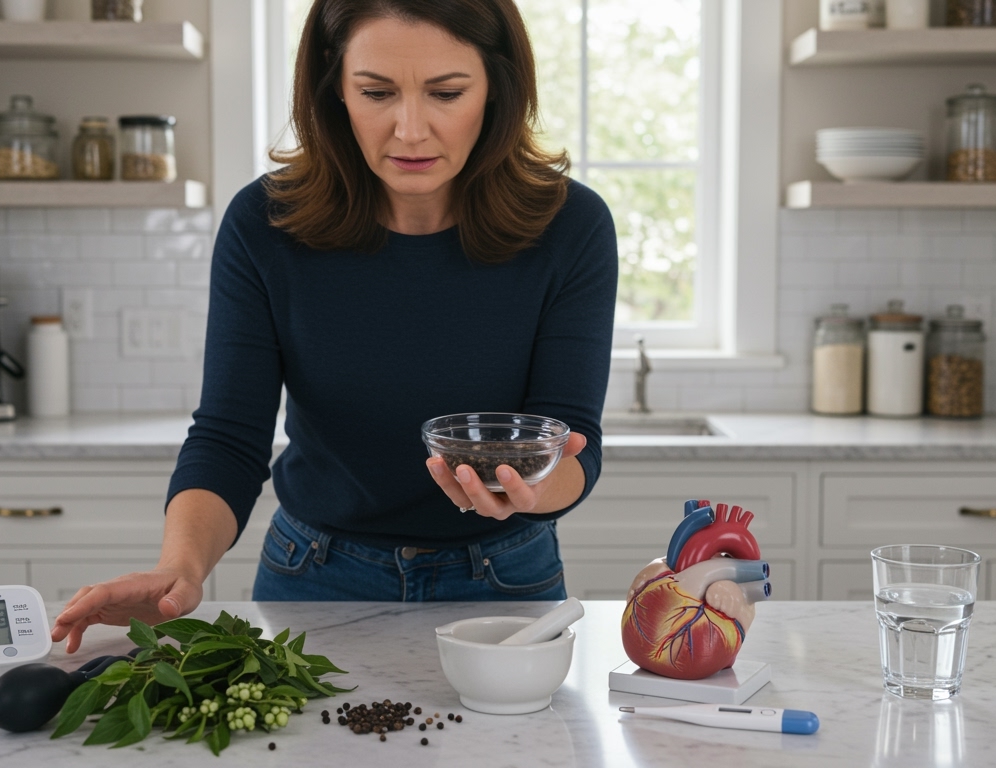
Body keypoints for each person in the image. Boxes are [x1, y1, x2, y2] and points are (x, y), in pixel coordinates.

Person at [52, 0, 618, 653]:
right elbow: (230, 438)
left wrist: (530, 490)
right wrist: (178, 570)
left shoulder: (569, 227)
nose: (410, 130)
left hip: (505, 580)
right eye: (376, 92)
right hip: (314, 577)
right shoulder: (264, 226)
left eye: (446, 93)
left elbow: (572, 439)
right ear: (333, 89)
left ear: (497, 87)